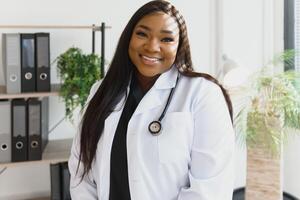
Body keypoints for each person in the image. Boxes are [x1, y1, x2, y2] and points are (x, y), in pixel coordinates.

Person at [68, 0, 235, 199]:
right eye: (142, 34)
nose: (152, 46)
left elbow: (210, 186)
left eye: (166, 39)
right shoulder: (102, 91)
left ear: (179, 46)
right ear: (128, 37)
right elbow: (81, 170)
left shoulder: (202, 94)